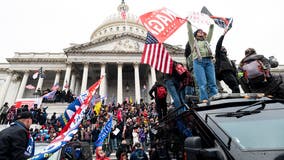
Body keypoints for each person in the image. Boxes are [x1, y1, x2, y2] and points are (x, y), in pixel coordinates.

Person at [186, 20, 218, 103]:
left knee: (212, 82)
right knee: (202, 83)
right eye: (199, 31)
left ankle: (214, 96)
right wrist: (188, 22)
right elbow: (189, 31)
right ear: (196, 34)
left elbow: (211, 31)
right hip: (198, 62)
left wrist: (211, 22)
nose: (201, 32)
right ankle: (204, 99)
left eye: (202, 31)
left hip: (209, 61)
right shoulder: (192, 42)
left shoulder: (206, 41)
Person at [215, 28, 240, 93]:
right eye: (222, 48)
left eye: (225, 48)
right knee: (235, 87)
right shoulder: (218, 56)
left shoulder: (228, 59)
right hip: (225, 72)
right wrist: (223, 34)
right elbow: (218, 44)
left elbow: (235, 69)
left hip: (231, 73)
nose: (224, 48)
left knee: (236, 87)